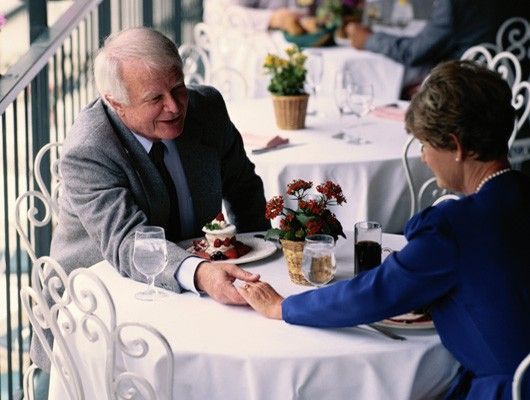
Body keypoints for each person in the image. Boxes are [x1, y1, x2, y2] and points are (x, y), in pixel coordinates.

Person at [237, 60, 530, 399]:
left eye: (424, 144)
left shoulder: (455, 228)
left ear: (456, 146)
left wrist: (282, 307)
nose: (422, 157)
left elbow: (372, 293)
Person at [30, 27, 269, 373]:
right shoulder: (90, 149)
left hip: (191, 298)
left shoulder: (207, 109)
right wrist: (201, 274)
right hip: (100, 312)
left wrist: (258, 256)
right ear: (116, 104)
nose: (174, 107)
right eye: (155, 99)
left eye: (177, 88)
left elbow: (244, 187)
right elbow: (130, 243)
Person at [345, 0, 530, 95]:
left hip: (471, 103)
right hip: (521, 97)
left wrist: (369, 40)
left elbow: (414, 52)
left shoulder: (455, 3)